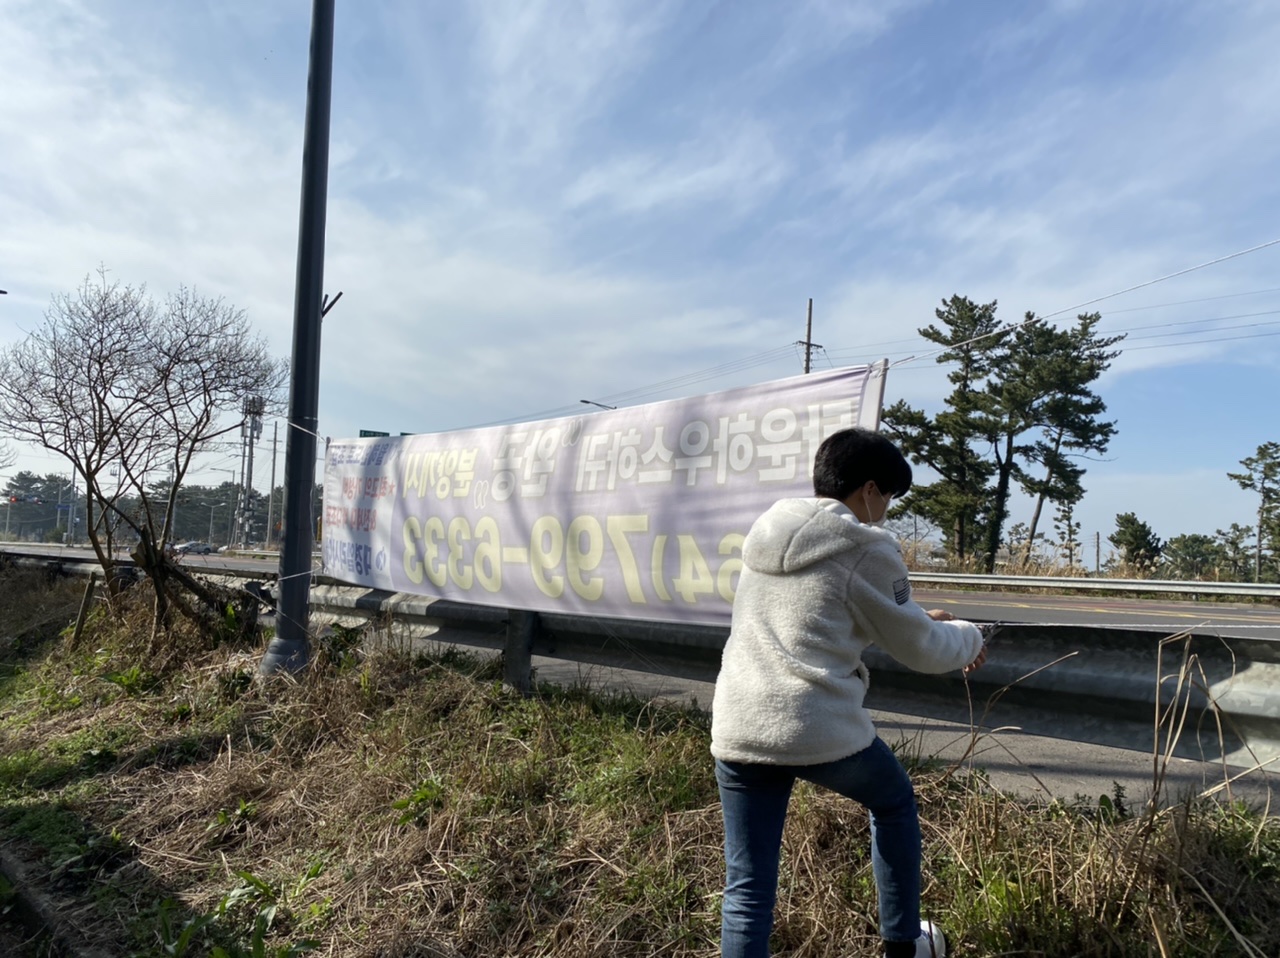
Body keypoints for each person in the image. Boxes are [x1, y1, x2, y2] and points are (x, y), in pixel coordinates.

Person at [710, 427, 988, 958]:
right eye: (889, 497)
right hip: (811, 723)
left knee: (747, 887)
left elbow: (818, 617)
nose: (886, 510)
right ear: (868, 490)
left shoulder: (766, 533)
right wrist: (970, 636)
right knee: (894, 802)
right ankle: (902, 946)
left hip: (740, 721)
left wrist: (910, 617)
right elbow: (925, 649)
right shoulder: (865, 546)